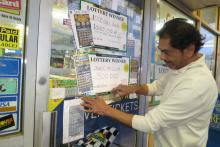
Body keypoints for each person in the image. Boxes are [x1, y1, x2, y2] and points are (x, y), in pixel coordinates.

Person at [81, 18, 218, 147]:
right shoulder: (181, 68)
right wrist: (133, 89)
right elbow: (157, 86)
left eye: (167, 52)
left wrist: (105, 109)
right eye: (160, 51)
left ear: (189, 50)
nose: (162, 57)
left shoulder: (196, 84)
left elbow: (149, 123)